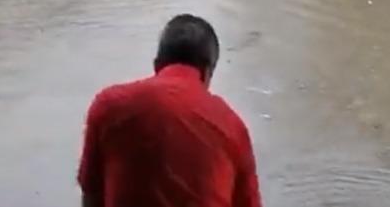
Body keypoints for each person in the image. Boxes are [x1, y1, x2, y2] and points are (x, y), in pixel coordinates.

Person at [78, 14, 262, 207]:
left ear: (157, 65)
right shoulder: (233, 127)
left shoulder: (109, 105)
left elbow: (91, 194)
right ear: (207, 72)